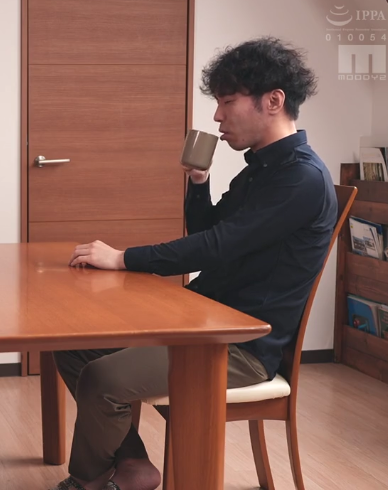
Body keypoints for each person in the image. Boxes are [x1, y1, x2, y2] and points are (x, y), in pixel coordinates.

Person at [50, 36, 336, 490]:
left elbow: (215, 246)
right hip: (201, 321)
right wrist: (199, 182)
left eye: (227, 101)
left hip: (238, 344)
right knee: (74, 344)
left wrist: (123, 258)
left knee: (102, 376)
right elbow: (209, 230)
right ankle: (133, 466)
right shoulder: (261, 169)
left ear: (273, 101)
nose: (217, 116)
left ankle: (87, 480)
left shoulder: (301, 177)